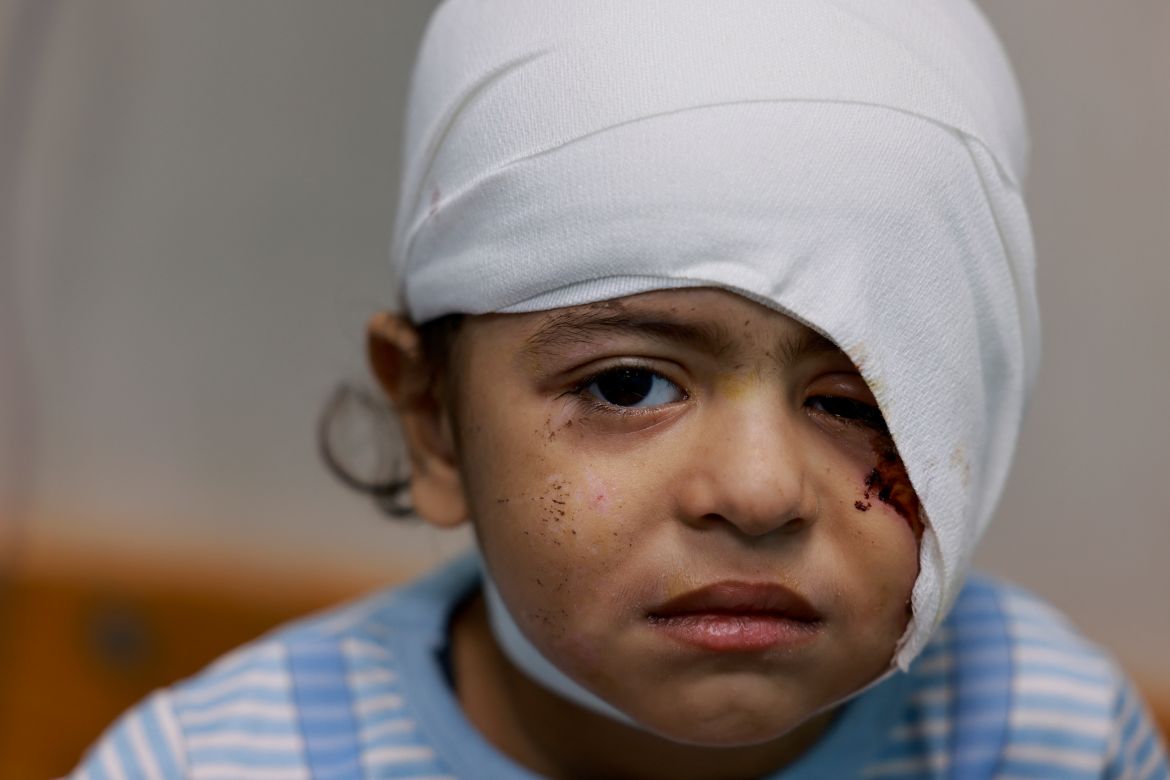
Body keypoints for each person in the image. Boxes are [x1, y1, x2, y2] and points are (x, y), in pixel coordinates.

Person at [70, 1, 1169, 778]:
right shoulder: (215, 765)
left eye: (861, 399)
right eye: (631, 384)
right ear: (433, 422)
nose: (755, 490)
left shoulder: (1050, 740)